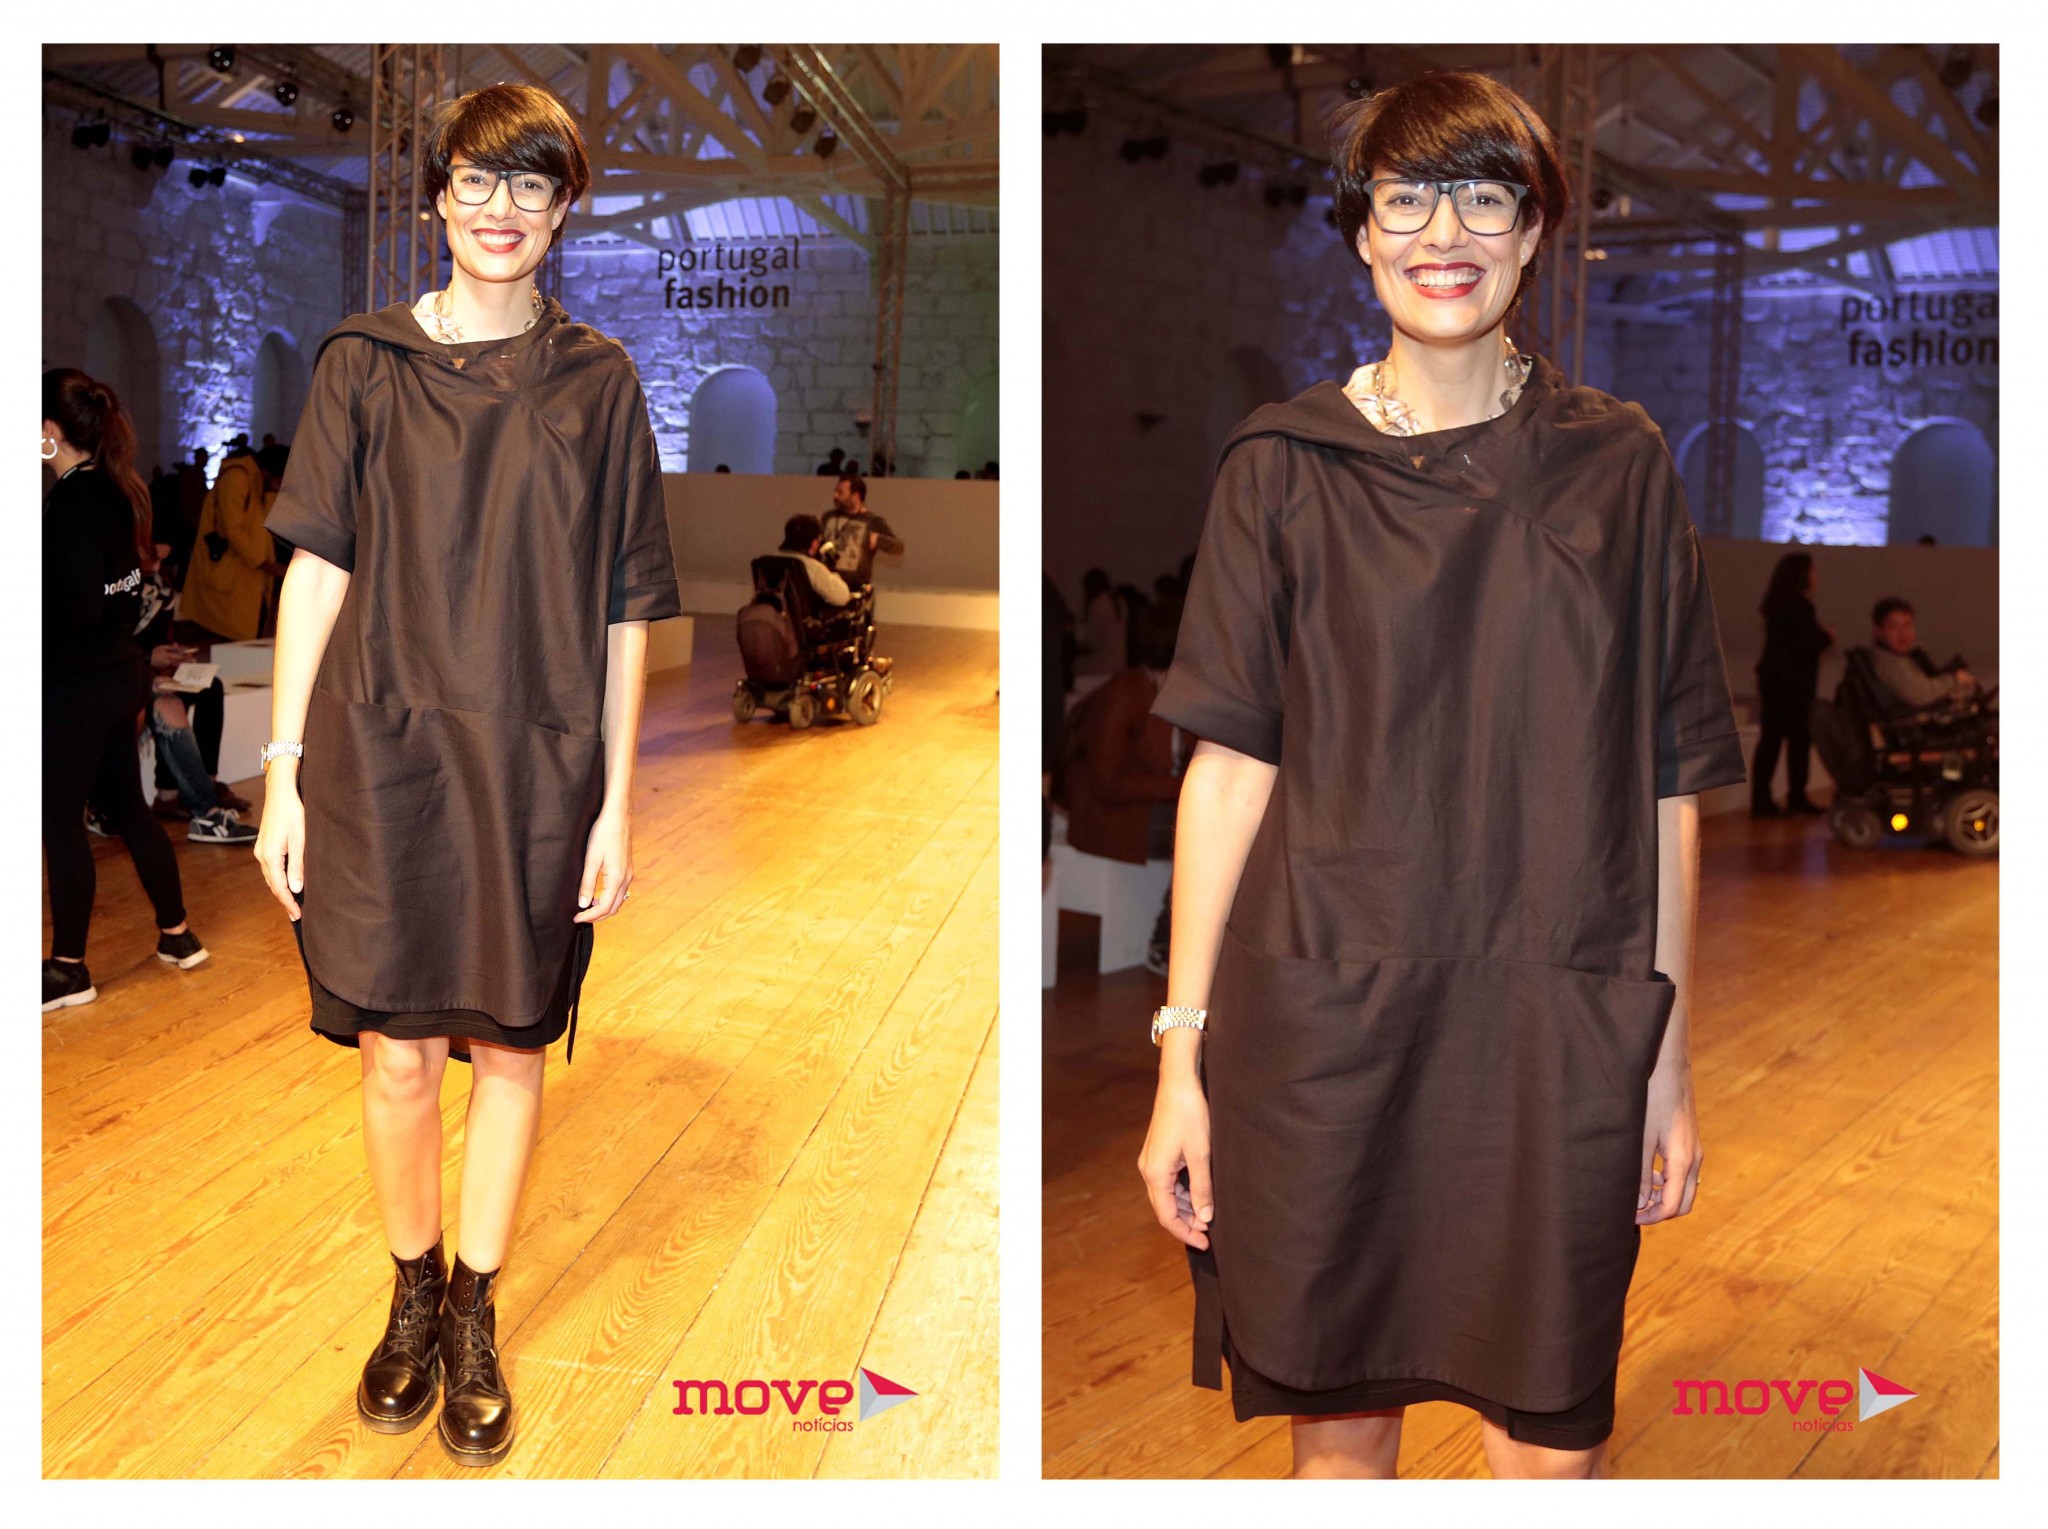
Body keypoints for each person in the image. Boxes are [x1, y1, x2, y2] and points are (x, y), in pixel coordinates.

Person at [1137, 71, 1745, 1480]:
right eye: (1406, 198)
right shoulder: (1281, 465)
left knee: (1549, 1450)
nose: (1443, 232)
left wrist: (1663, 1055)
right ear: (1361, 231)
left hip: (1549, 1025)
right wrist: (1180, 1059)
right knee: (1340, 1447)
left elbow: (1668, 782)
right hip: (1323, 1024)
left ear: (1533, 234)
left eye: (1484, 197)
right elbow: (1227, 769)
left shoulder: (1618, 464)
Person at [253, 82, 682, 1468]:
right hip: (377, 755)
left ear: (564, 210)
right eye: (477, 181)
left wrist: (615, 799)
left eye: (531, 185)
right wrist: (279, 770)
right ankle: (412, 1291)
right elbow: (316, 572)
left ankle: (477, 1306)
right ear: (437, 194)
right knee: (394, 1052)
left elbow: (627, 608)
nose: (501, 209)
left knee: (508, 1042)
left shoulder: (601, 383)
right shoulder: (363, 362)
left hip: (533, 760)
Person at [43, 368, 210, 1012]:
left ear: (49, 431)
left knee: (61, 822)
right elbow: (119, 594)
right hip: (118, 677)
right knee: (128, 810)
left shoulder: (71, 502)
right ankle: (177, 935)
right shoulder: (115, 491)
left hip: (79, 686)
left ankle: (69, 970)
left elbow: (79, 607)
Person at [177, 434, 288, 643]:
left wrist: (272, 492)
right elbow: (232, 529)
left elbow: (267, 521)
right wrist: (262, 562)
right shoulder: (237, 477)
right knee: (231, 638)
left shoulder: (257, 481)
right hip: (234, 570)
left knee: (246, 636)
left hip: (249, 572)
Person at [1751, 553, 1834, 818]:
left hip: (1774, 684)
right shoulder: (1801, 607)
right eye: (1813, 571)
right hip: (1795, 687)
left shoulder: (1776, 606)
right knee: (1798, 742)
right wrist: (1826, 637)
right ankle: (1797, 798)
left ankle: (1761, 799)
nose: (1816, 577)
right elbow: (1806, 645)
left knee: (1770, 742)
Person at [1867, 597, 1981, 709]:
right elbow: (1920, 695)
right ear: (1878, 631)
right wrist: (1954, 679)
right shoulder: (1888, 662)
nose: (1903, 634)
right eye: (1894, 627)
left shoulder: (1904, 656)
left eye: (1907, 625)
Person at [818, 473, 904, 586]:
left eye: (840, 492)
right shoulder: (828, 516)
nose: (835, 496)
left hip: (854, 586)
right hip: (826, 583)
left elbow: (899, 547)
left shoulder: (872, 521)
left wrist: (879, 540)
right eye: (835, 491)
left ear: (856, 496)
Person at [768, 513, 852, 607]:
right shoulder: (811, 566)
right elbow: (842, 596)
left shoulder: (768, 562)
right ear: (814, 543)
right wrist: (832, 571)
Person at [1074, 567, 1125, 679]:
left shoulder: (1097, 605)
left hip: (1099, 665)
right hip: (1118, 662)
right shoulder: (1120, 603)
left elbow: (1092, 641)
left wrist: (1074, 648)